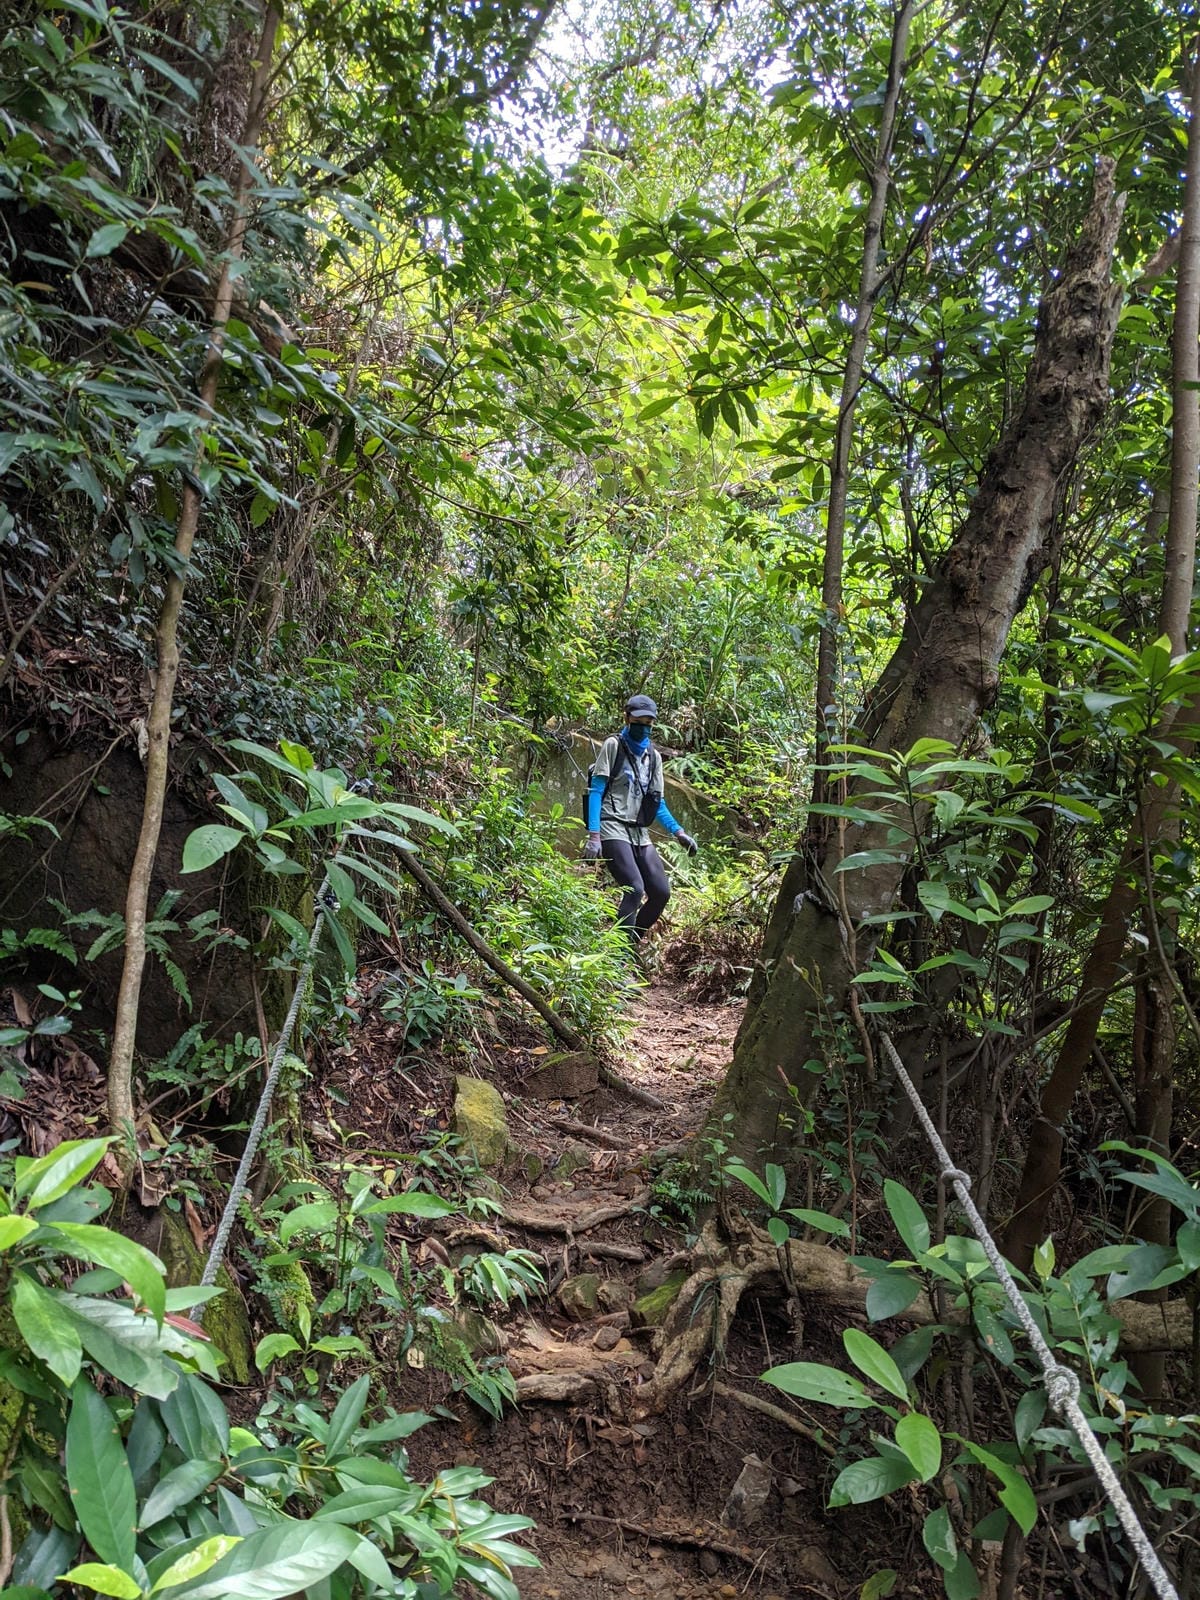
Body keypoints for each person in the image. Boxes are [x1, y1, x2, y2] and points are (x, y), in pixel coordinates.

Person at [583, 694, 697, 942]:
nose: (643, 728)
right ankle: (621, 957)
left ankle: (628, 943)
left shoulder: (653, 757)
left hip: (638, 831)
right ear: (627, 718)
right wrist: (594, 835)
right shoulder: (613, 745)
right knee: (634, 888)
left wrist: (678, 832)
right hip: (611, 825)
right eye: (639, 721)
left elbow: (658, 802)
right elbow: (596, 790)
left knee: (660, 892)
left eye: (648, 723)